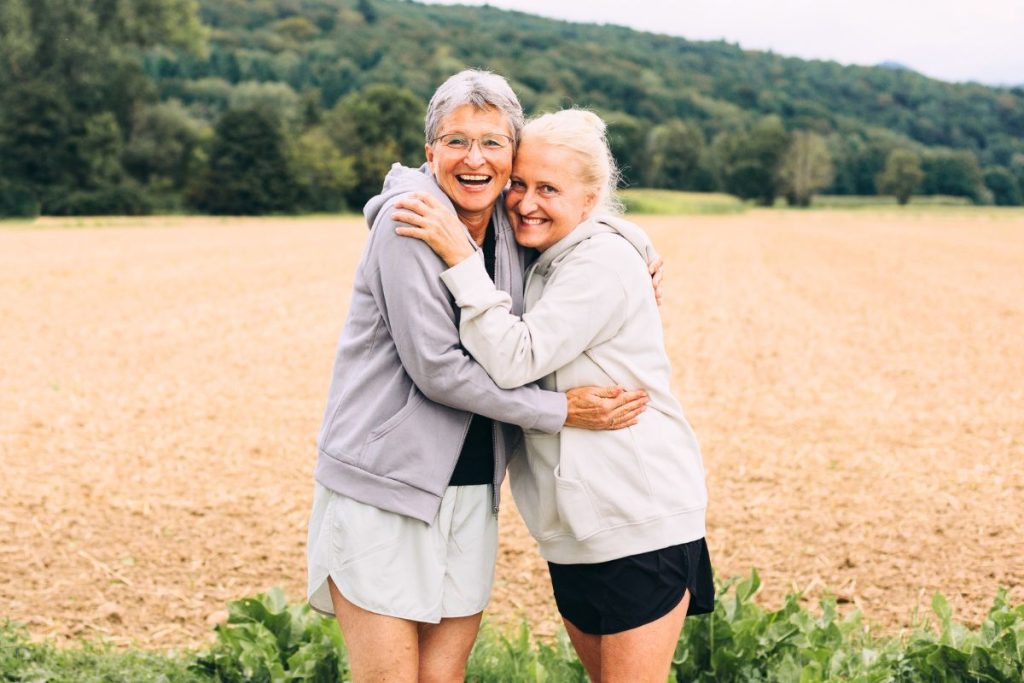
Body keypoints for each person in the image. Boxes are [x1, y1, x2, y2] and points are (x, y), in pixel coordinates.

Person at [307, 71, 661, 683]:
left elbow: (571, 209)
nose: (475, 159)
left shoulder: (503, 219)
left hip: (470, 488)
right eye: (456, 141)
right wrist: (559, 412)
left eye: (493, 143)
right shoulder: (410, 223)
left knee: (443, 677)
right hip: (382, 486)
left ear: (511, 156)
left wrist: (636, 245)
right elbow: (438, 372)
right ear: (430, 153)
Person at [395, 108, 714, 683]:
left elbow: (517, 358)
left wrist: (462, 263)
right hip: (574, 533)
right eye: (519, 183)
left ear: (590, 201)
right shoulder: (544, 254)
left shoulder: (602, 261)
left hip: (637, 519)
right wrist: (637, 235)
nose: (524, 201)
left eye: (549, 188)